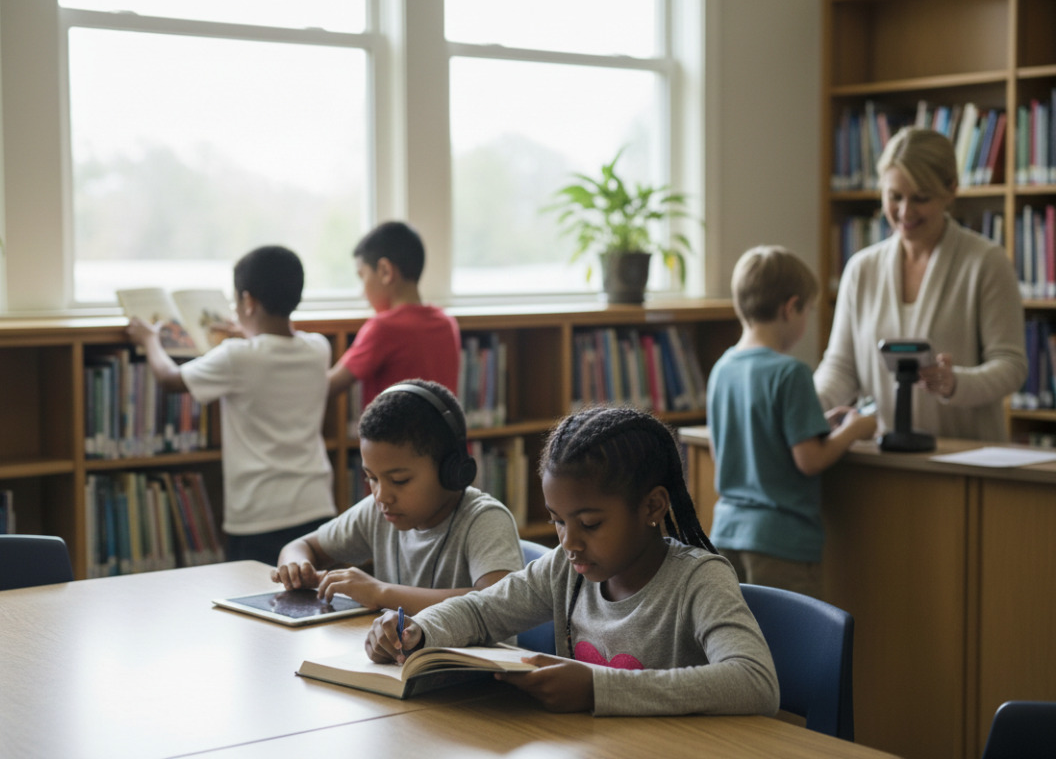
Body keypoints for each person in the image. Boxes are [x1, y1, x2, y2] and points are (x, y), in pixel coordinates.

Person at [365, 406, 779, 717]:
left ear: (652, 505)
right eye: (557, 521)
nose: (569, 542)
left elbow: (754, 682)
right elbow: (483, 609)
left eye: (590, 523)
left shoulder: (698, 579)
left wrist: (599, 689)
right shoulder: (566, 569)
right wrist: (420, 630)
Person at [125, 245, 336, 566]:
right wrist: (246, 331)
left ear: (248, 301)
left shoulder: (238, 356)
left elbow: (170, 379)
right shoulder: (318, 349)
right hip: (316, 506)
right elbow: (272, 347)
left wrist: (150, 339)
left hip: (259, 515)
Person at [815, 127, 1026, 441]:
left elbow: (1011, 367)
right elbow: (841, 368)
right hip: (882, 458)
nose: (904, 212)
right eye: (894, 197)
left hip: (964, 459)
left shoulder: (987, 262)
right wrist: (806, 406)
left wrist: (954, 383)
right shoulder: (862, 269)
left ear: (951, 190)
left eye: (920, 198)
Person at [707, 245, 877, 599]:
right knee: (788, 646)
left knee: (739, 643)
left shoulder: (722, 369)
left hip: (727, 533)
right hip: (781, 541)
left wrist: (817, 424)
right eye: (808, 311)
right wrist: (853, 430)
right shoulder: (791, 372)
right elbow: (810, 460)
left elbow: (724, 449)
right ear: (790, 307)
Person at [271, 379, 523, 615]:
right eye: (371, 477)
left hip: (474, 662)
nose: (381, 495)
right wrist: (296, 566)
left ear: (451, 470)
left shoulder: (484, 520)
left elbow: (498, 604)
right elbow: (300, 546)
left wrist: (381, 593)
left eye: (399, 480)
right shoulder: (376, 511)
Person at [327, 221, 462, 409]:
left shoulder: (382, 328)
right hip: (444, 438)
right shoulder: (447, 323)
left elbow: (328, 387)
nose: (362, 292)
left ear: (385, 271)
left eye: (362, 276)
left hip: (392, 439)